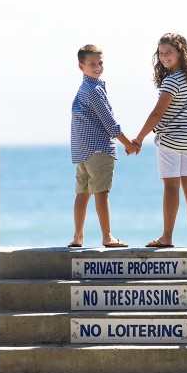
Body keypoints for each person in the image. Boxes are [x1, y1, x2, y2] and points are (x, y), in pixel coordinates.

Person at [131, 33, 187, 248]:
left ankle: (167, 237)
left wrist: (139, 138)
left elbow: (157, 114)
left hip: (171, 140)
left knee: (171, 187)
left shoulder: (171, 81)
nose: (164, 57)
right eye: (161, 53)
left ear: (180, 52)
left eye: (169, 52)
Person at [68, 44, 138, 248]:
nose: (97, 67)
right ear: (81, 67)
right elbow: (109, 121)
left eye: (100, 63)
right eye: (92, 64)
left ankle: (78, 237)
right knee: (101, 192)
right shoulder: (94, 89)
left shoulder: (83, 89)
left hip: (82, 151)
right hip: (98, 149)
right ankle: (107, 237)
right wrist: (128, 144)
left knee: (82, 193)